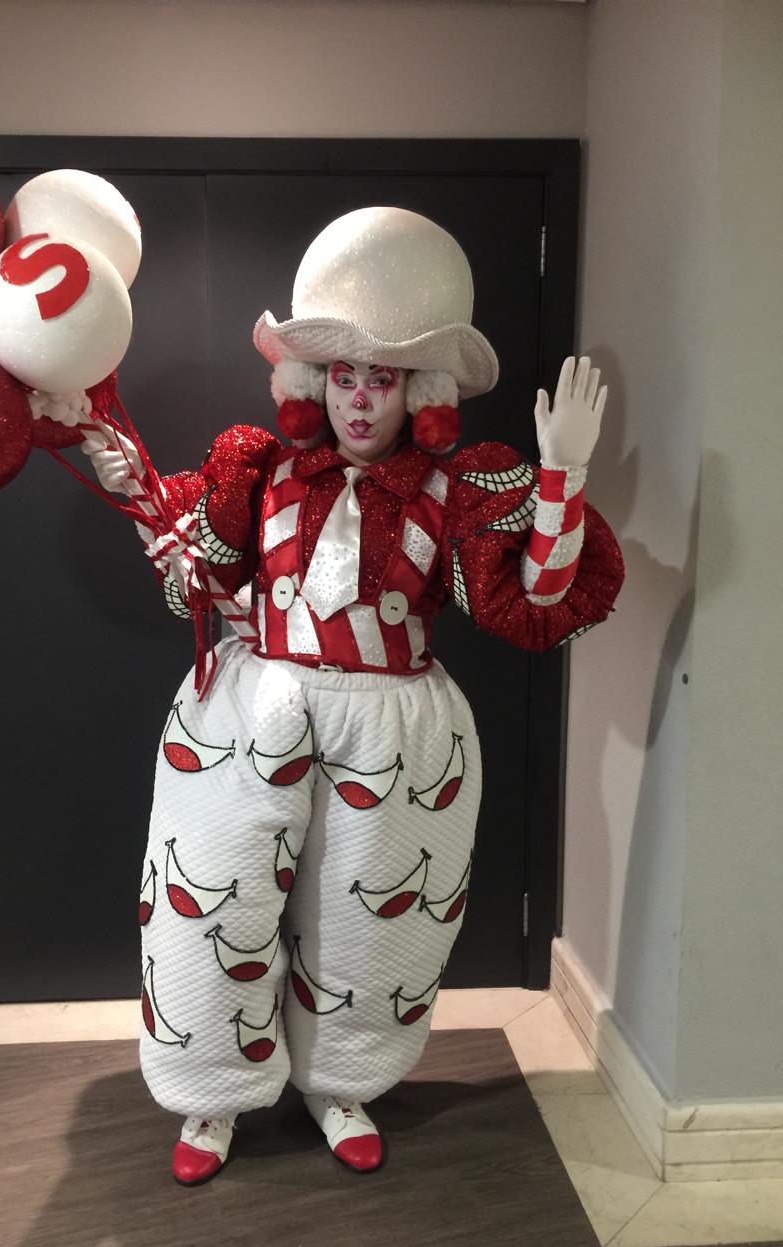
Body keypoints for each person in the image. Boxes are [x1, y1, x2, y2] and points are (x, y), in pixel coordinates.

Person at [82, 207, 624, 1187]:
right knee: (210, 903)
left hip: (395, 726)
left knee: (370, 924)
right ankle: (212, 1090)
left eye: (382, 377)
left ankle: (341, 1084)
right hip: (251, 712)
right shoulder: (258, 472)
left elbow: (533, 606)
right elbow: (191, 585)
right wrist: (138, 495)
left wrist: (565, 475)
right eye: (343, 375)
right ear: (312, 381)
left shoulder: (453, 493)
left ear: (419, 389)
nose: (361, 400)